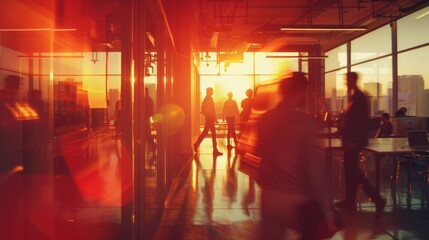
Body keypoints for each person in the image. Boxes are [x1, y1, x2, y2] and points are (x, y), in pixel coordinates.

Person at [256, 72, 336, 239]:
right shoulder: (304, 122)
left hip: (269, 197)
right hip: (296, 199)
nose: (307, 96)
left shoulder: (266, 119)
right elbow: (315, 172)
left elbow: (260, 157)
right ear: (299, 91)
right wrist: (328, 214)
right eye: (306, 92)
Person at [336, 72, 386, 218]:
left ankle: (377, 199)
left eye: (347, 79)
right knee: (349, 171)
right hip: (350, 140)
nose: (345, 82)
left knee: (353, 171)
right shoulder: (354, 97)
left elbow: (360, 122)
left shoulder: (360, 98)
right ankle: (350, 201)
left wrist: (354, 140)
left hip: (354, 141)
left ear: (353, 80)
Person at [194, 87, 222, 155]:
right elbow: (212, 109)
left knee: (208, 133)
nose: (213, 92)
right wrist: (214, 118)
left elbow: (207, 109)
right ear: (209, 91)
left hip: (209, 118)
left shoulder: (206, 98)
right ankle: (197, 145)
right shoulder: (209, 98)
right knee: (209, 133)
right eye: (212, 91)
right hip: (210, 118)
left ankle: (198, 145)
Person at [144, 87, 156, 152]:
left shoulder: (145, 100)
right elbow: (152, 111)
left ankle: (153, 146)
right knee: (147, 134)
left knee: (147, 134)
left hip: (145, 119)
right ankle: (153, 146)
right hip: (147, 119)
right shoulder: (150, 100)